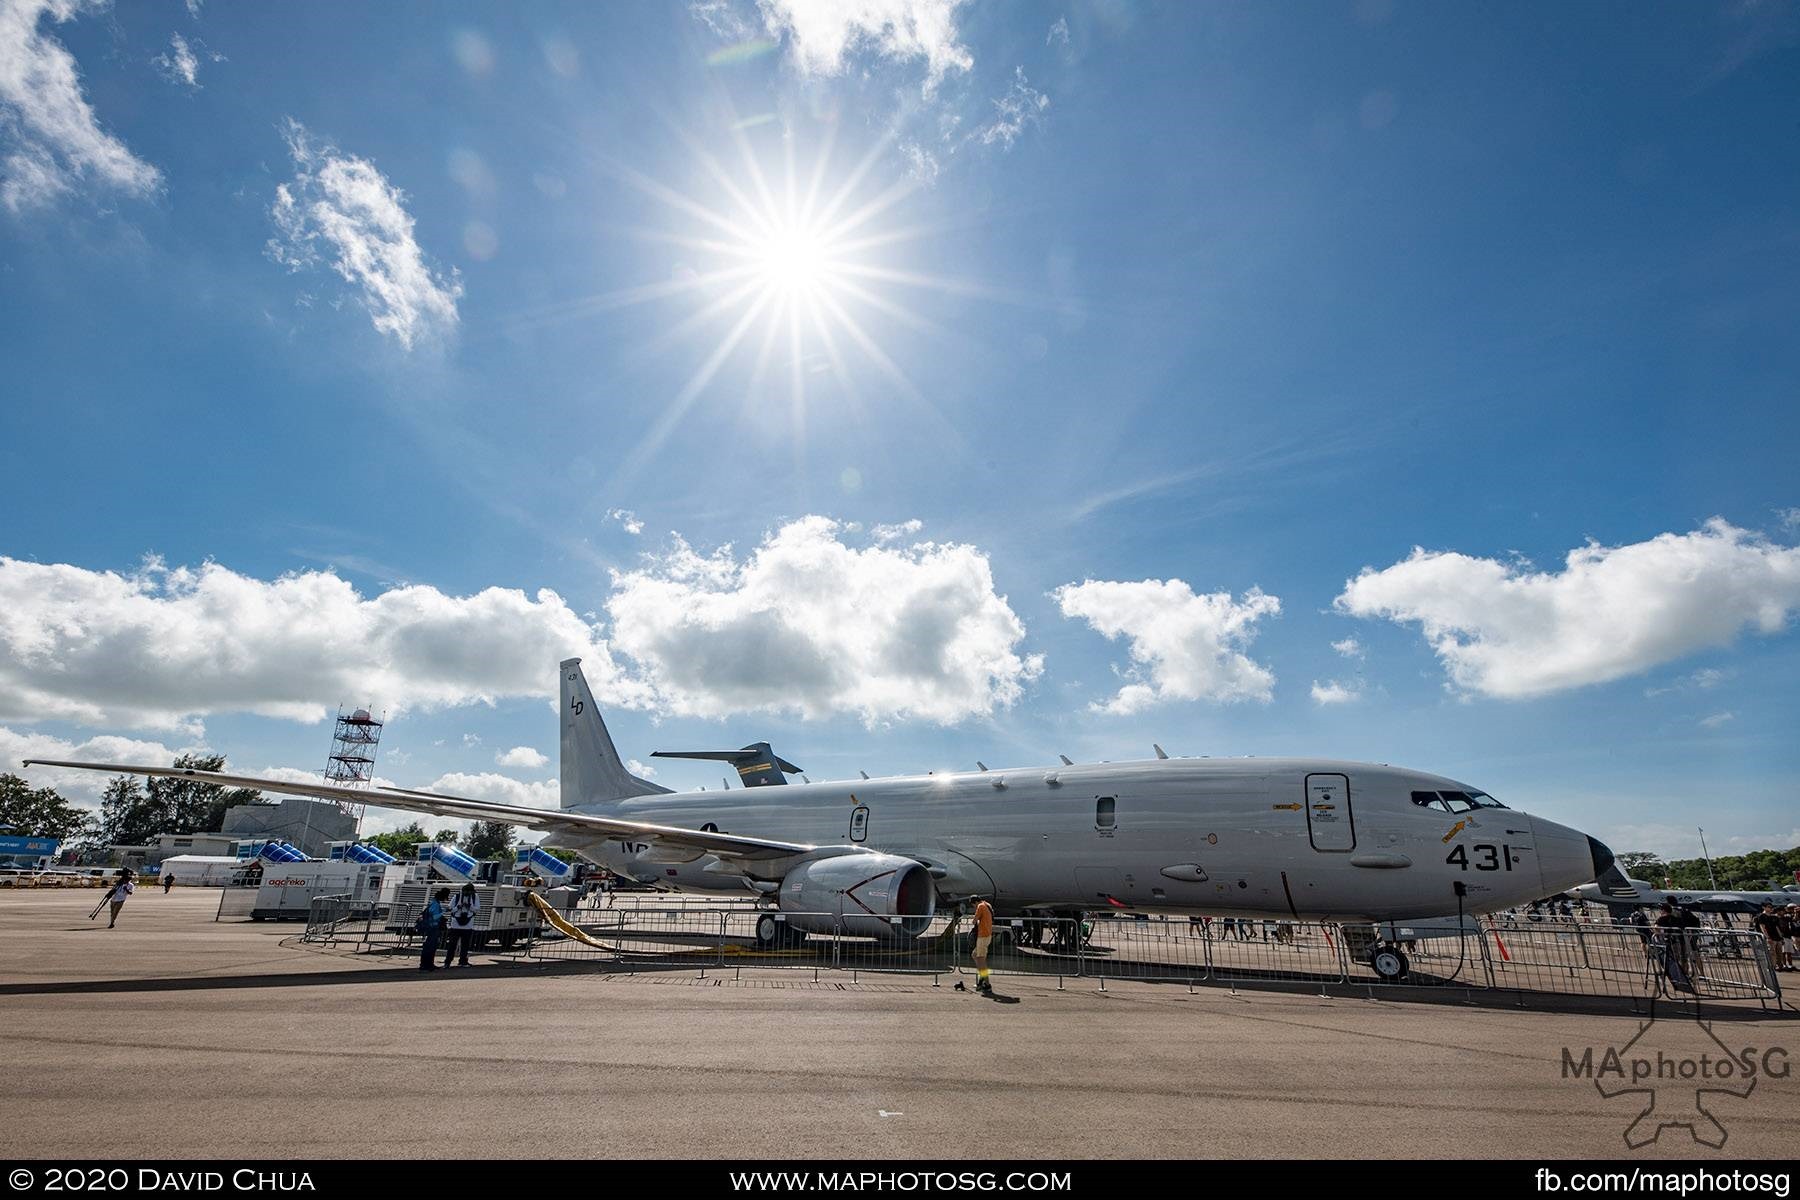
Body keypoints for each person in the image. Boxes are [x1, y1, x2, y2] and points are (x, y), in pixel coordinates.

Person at [443, 883, 479, 968]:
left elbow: (477, 909)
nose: (468, 894)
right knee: (452, 944)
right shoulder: (457, 897)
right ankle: (447, 962)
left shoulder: (475, 897)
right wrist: (458, 907)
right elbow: (450, 909)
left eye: (470, 892)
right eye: (466, 892)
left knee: (465, 944)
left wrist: (469, 907)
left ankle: (463, 961)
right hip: (455, 923)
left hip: (468, 923)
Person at [419, 888, 448, 971]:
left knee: (430, 946)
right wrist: (444, 912)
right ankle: (426, 964)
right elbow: (434, 917)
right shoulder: (435, 904)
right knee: (430, 946)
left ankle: (428, 964)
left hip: (431, 926)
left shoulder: (433, 903)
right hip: (433, 927)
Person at [1752, 903, 1787, 971]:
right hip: (1771, 938)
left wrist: (1781, 937)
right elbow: (1762, 927)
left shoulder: (1774, 917)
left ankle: (1780, 965)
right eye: (1768, 907)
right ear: (1764, 907)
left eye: (1771, 907)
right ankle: (1772, 966)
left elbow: (1777, 927)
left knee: (1779, 953)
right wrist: (1767, 937)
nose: (1770, 908)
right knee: (1772, 953)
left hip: (1777, 938)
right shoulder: (1762, 916)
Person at [971, 897, 994, 994]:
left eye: (973, 905)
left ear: (975, 902)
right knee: (974, 955)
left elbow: (974, 920)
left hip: (982, 936)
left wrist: (974, 918)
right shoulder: (987, 904)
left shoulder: (980, 906)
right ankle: (982, 978)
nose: (974, 907)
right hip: (988, 935)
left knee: (981, 960)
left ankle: (987, 984)